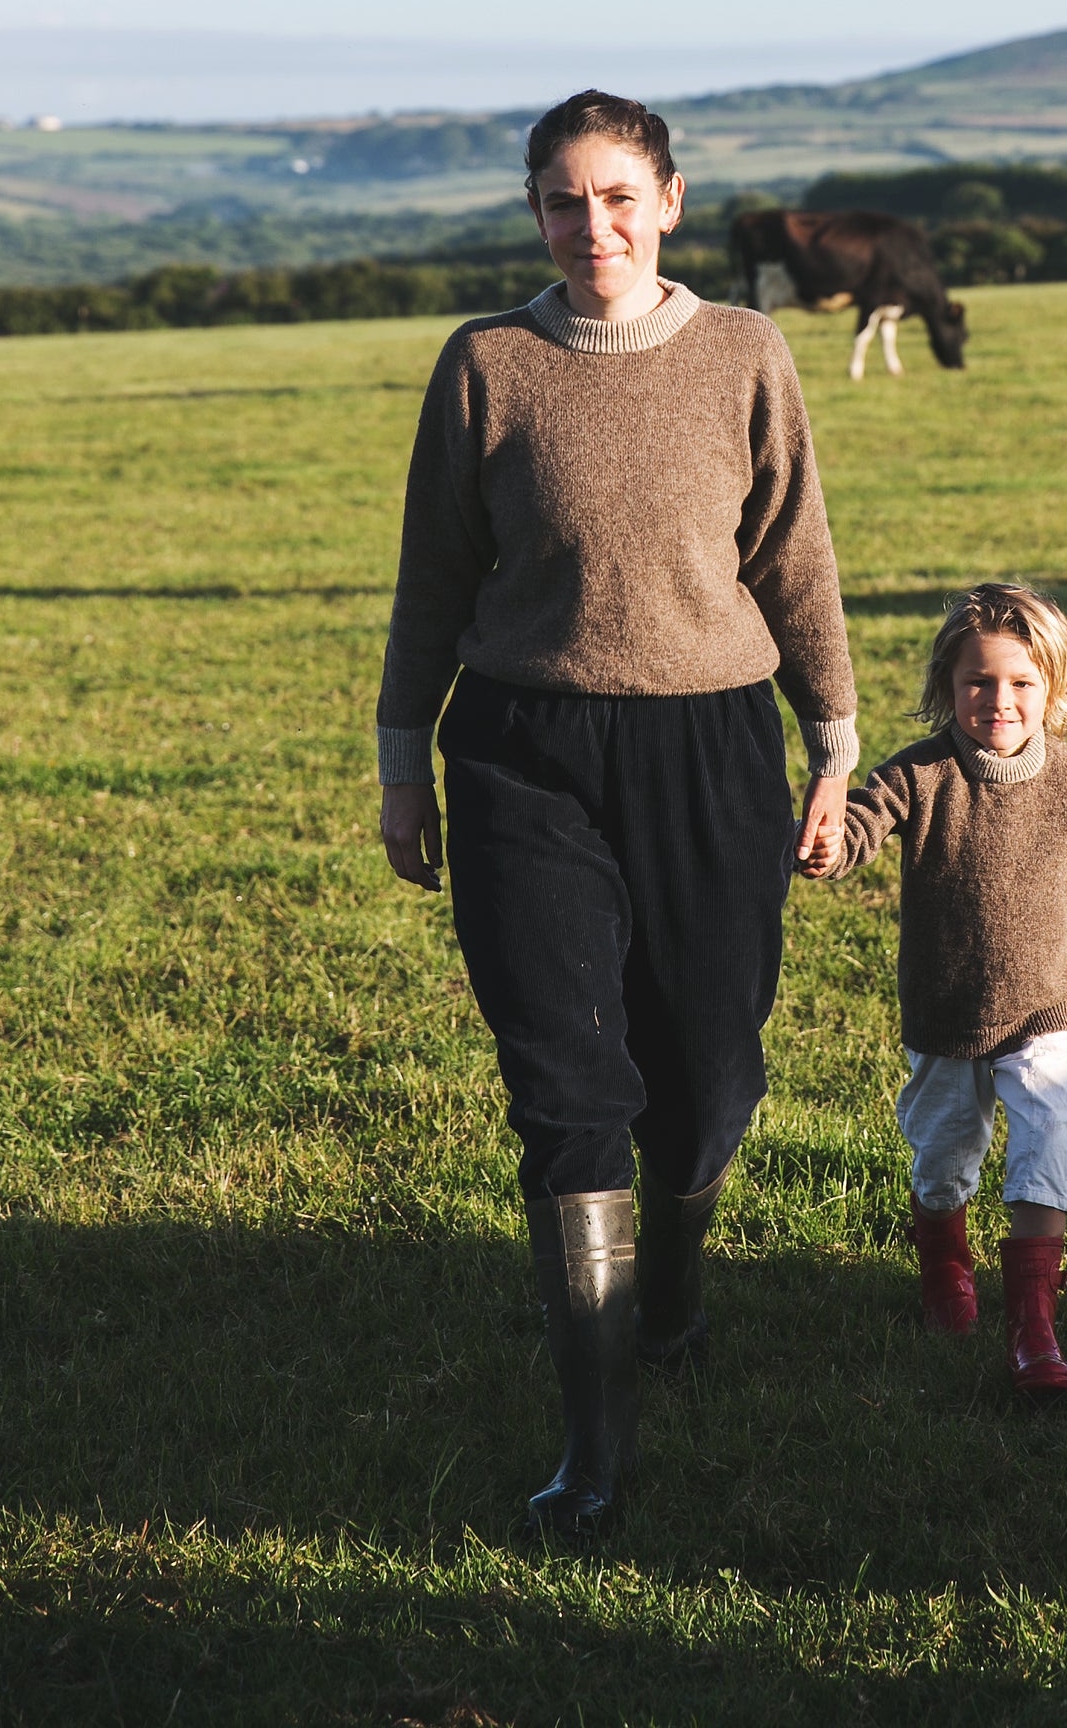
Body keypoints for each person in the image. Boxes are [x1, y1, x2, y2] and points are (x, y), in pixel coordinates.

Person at [377, 90, 858, 1534]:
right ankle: (592, 1453)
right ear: (533, 211)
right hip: (523, 749)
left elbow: (796, 558)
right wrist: (405, 757)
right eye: (560, 201)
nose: (591, 226)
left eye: (616, 197)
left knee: (707, 1077)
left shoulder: (744, 353)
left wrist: (831, 742)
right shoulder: (486, 365)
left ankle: (676, 1296)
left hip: (713, 747)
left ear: (670, 199)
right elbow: (432, 574)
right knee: (569, 1092)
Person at [799, 582, 1067, 1397]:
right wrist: (831, 845)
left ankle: (1032, 1330)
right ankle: (945, 1263)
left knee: (1043, 1145)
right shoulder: (921, 773)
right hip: (946, 1009)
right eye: (978, 681)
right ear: (945, 685)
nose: (998, 700)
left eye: (1021, 683)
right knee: (944, 1160)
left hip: (1047, 1003)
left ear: (1052, 689)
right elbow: (866, 820)